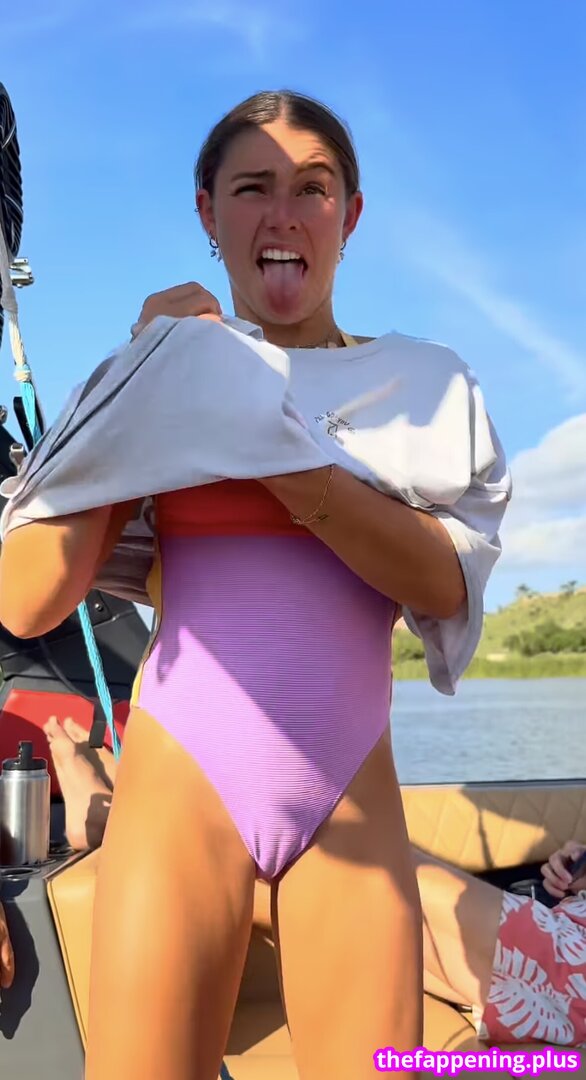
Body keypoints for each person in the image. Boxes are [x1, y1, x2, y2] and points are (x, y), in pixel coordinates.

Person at [0, 90, 510, 1080]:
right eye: (251, 188)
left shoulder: (420, 387)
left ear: (349, 215)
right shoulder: (160, 373)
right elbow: (26, 599)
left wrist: (267, 449)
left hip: (349, 802)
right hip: (179, 791)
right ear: (208, 212)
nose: (283, 214)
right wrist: (142, 382)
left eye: (312, 188)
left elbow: (444, 590)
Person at [7, 715, 586, 1049]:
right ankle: (124, 821)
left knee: (370, 863)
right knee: (345, 877)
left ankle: (120, 822)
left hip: (571, 966)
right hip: (567, 936)